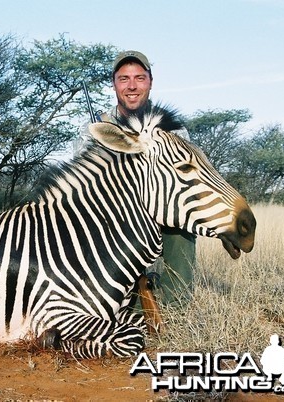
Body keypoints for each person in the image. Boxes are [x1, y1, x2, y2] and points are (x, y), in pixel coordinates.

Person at [80, 50, 196, 307]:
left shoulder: (173, 129)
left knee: (181, 222)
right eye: (124, 79)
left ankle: (175, 304)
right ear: (114, 84)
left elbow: (182, 182)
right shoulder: (96, 129)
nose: (132, 86)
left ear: (150, 82)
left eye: (139, 78)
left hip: (157, 212)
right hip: (110, 219)